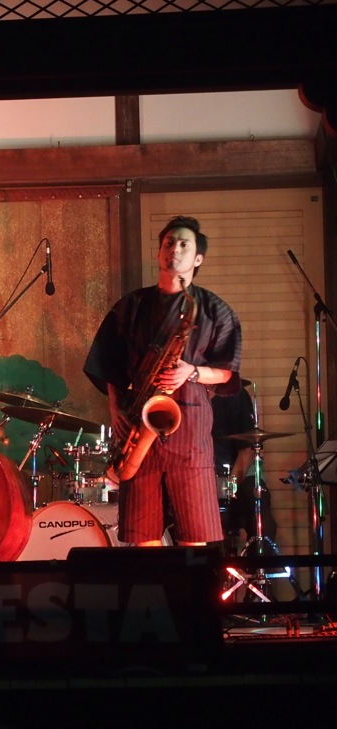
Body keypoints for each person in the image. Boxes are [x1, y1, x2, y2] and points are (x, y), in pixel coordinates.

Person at [83, 216, 241, 546]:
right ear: (158, 253)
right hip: (137, 426)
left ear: (198, 258)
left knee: (195, 542)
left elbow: (226, 371)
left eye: (184, 244)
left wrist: (191, 371)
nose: (175, 250)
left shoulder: (215, 310)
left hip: (190, 433)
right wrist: (115, 408)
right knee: (144, 542)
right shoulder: (130, 306)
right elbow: (109, 363)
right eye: (169, 243)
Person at [211, 382, 278, 553]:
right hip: (205, 476)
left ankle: (258, 567)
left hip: (240, 474)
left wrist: (228, 489)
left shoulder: (237, 396)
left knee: (262, 520)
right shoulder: (190, 396)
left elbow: (247, 451)